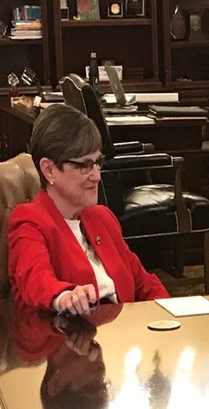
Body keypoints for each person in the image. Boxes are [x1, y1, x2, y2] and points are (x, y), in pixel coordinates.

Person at [9, 104, 169, 316]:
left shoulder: (102, 217)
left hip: (124, 337)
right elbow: (35, 279)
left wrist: (173, 315)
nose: (97, 176)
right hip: (69, 343)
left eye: (97, 162)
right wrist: (64, 296)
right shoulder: (30, 221)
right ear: (49, 169)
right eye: (84, 165)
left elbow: (143, 283)